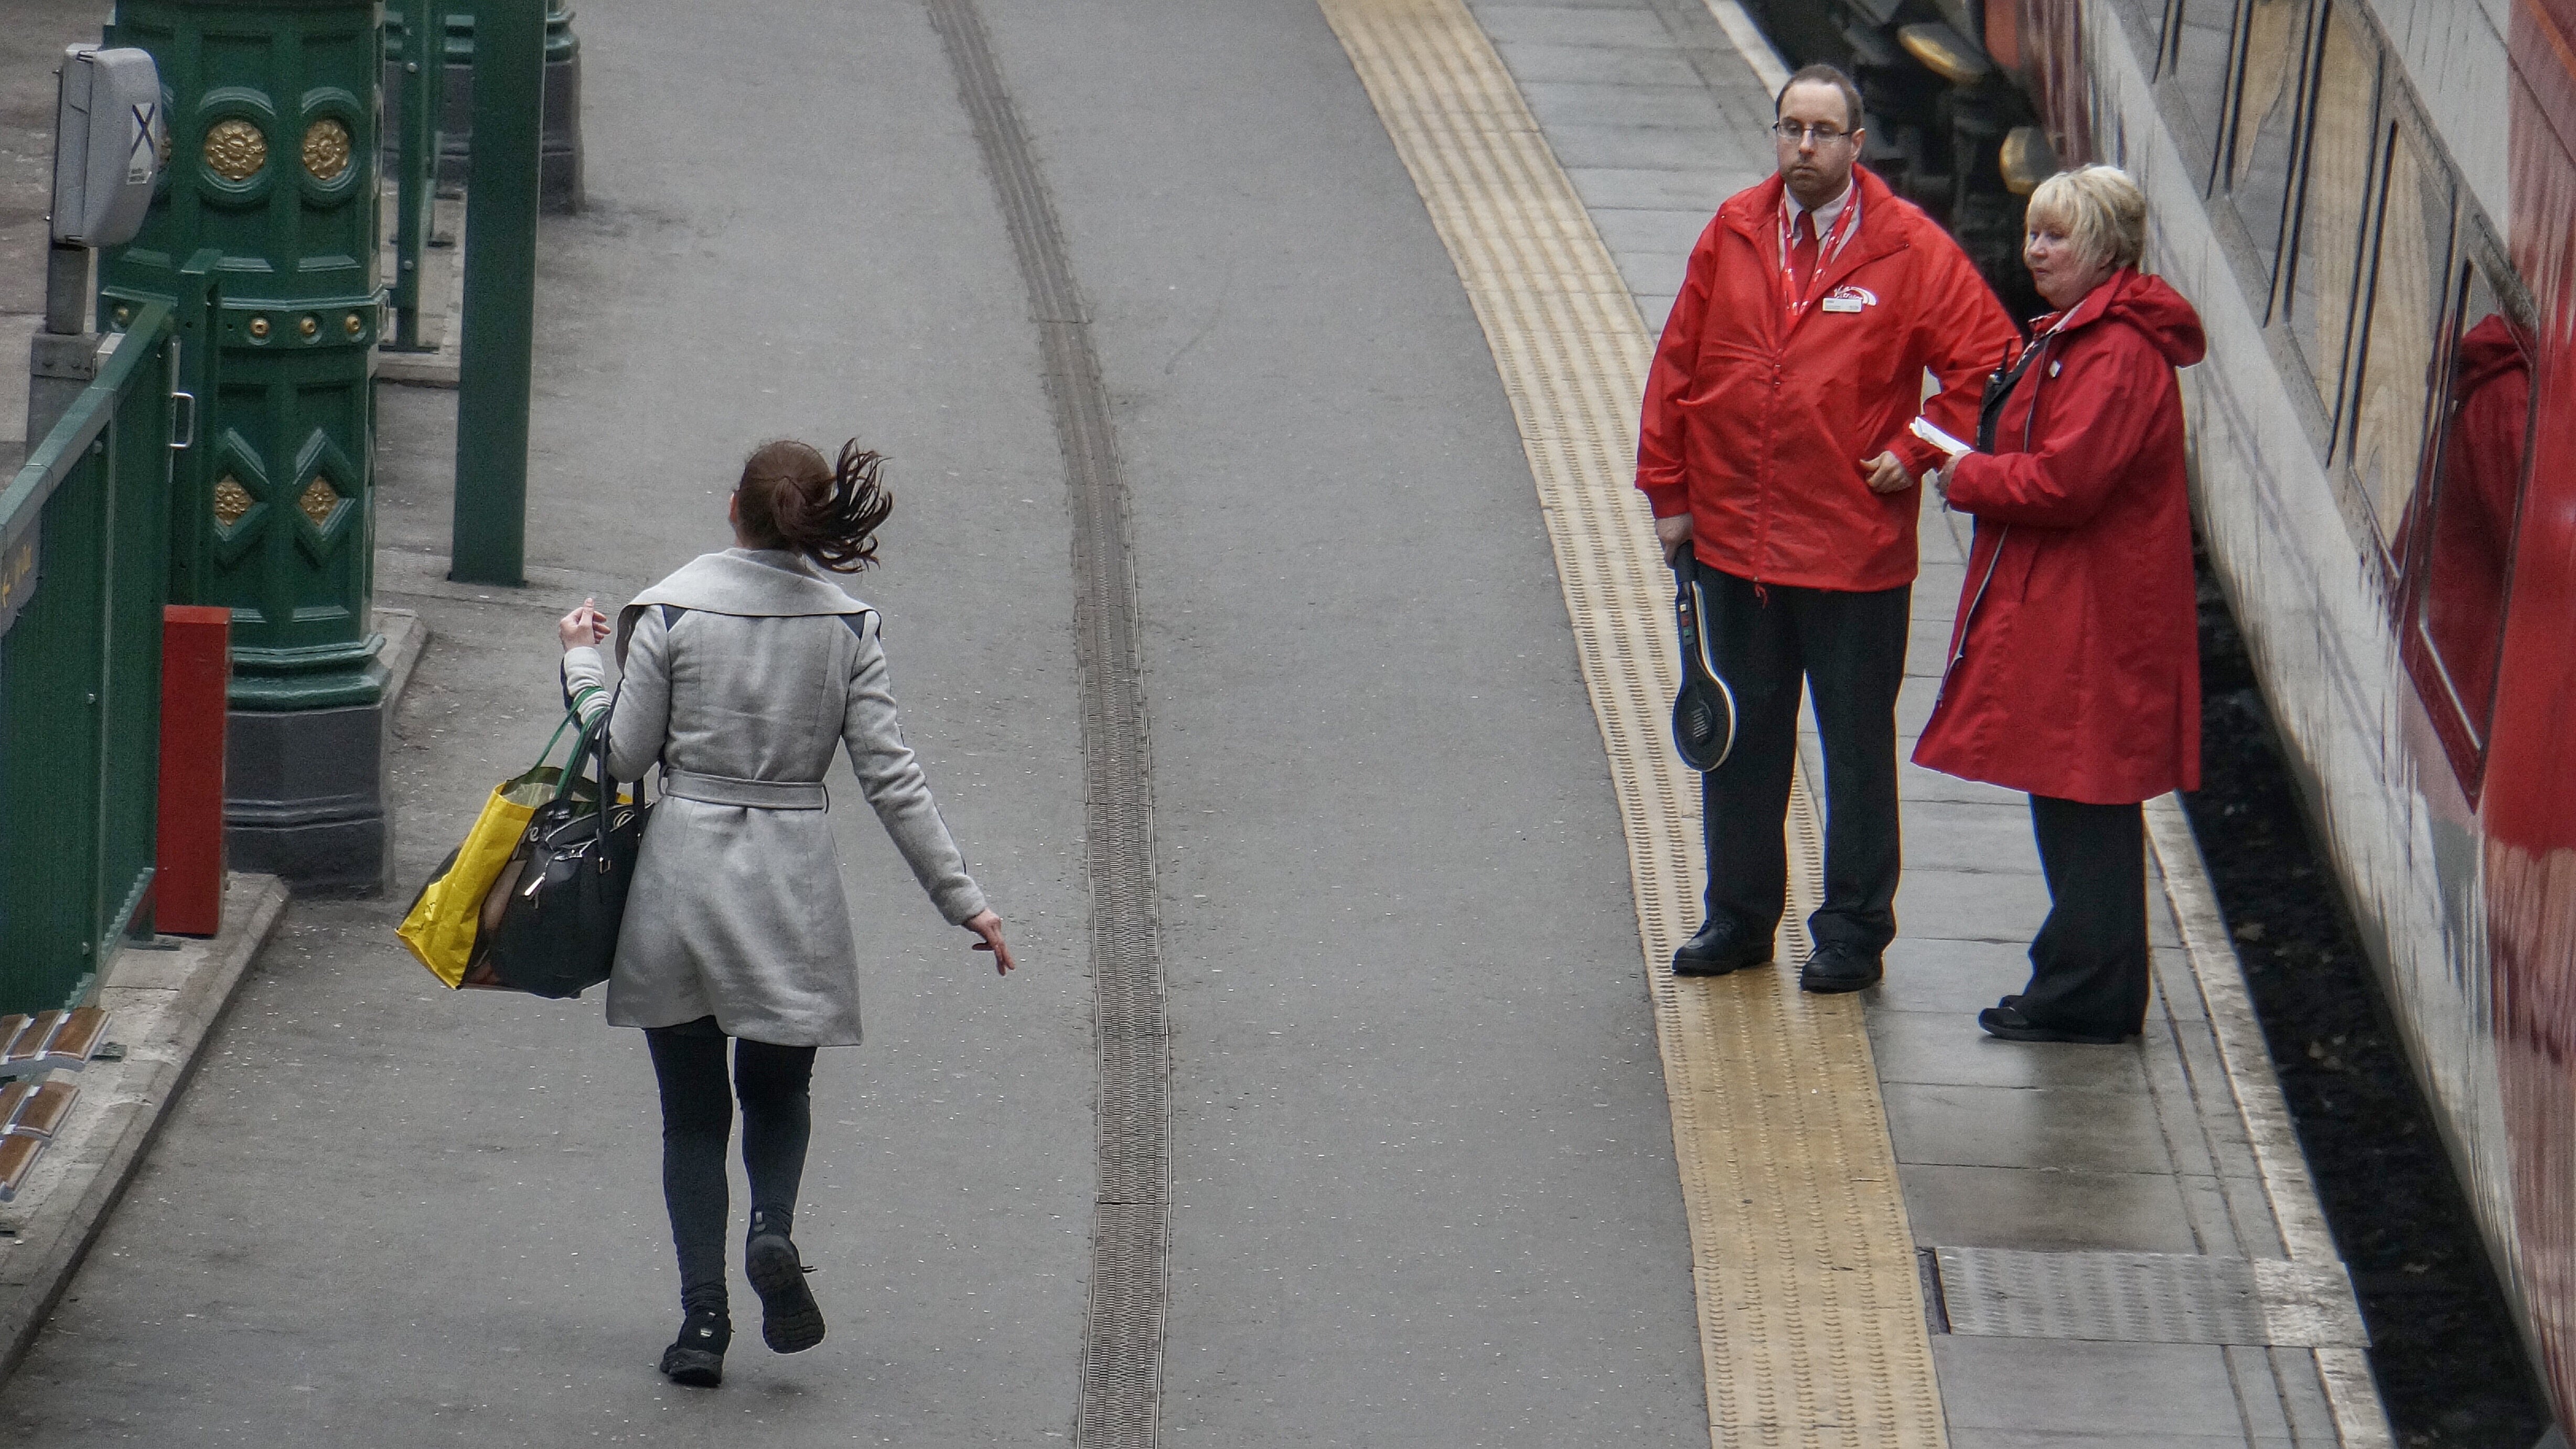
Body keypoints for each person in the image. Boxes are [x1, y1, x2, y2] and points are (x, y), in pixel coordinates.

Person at [554, 438, 1016, 1386]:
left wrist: (581, 663)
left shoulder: (674, 608)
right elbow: (893, 780)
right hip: (790, 885)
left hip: (680, 880)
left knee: (691, 1116)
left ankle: (703, 1326)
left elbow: (625, 756)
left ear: (734, 509)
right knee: (775, 1090)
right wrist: (965, 902)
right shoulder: (846, 628)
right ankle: (773, 1229)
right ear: (815, 520)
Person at [1638, 62, 2017, 992]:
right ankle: (1739, 916)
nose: (1803, 147)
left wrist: (1922, 444)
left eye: (1823, 132)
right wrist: (1669, 494)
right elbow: (1679, 365)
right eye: (1790, 128)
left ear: (1857, 145)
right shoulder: (1731, 232)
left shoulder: (1907, 248)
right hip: (1737, 543)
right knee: (1741, 735)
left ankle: (1851, 928)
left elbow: (1988, 358)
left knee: (1853, 746)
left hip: (1853, 552)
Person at [1912, 164, 2206, 1045]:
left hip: (2093, 617)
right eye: (2034, 232)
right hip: (2080, 607)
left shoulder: (2113, 353)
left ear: (2105, 249)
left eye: (2055, 236)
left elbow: (2070, 482)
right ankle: (2085, 985)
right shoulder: (2084, 336)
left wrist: (1969, 476)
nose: (2034, 250)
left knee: (2085, 805)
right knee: (2076, 799)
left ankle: (2084, 994)